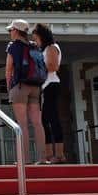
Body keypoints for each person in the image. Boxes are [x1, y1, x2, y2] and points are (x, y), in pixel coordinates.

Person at [5, 19, 47, 164]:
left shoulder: (13, 46)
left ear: (16, 31)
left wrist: (9, 87)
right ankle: (42, 158)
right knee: (37, 123)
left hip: (20, 86)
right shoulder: (34, 46)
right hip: (36, 86)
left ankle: (25, 159)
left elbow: (8, 70)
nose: (10, 33)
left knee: (22, 124)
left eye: (11, 30)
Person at [32, 23, 65, 163]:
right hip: (44, 86)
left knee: (53, 119)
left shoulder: (51, 47)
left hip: (51, 85)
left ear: (42, 36)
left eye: (36, 38)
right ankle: (49, 155)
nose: (36, 42)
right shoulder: (43, 50)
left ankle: (59, 154)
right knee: (44, 121)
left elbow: (53, 66)